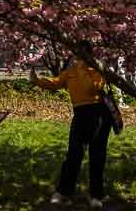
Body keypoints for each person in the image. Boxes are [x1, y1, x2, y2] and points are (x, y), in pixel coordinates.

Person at [29, 42, 113, 209]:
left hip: (99, 114)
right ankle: (63, 192)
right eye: (77, 55)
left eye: (83, 55)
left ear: (89, 54)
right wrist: (37, 80)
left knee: (97, 156)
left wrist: (83, 68)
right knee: (74, 155)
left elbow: (92, 88)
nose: (79, 58)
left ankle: (96, 195)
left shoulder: (98, 69)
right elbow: (56, 82)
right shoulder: (71, 71)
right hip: (80, 114)